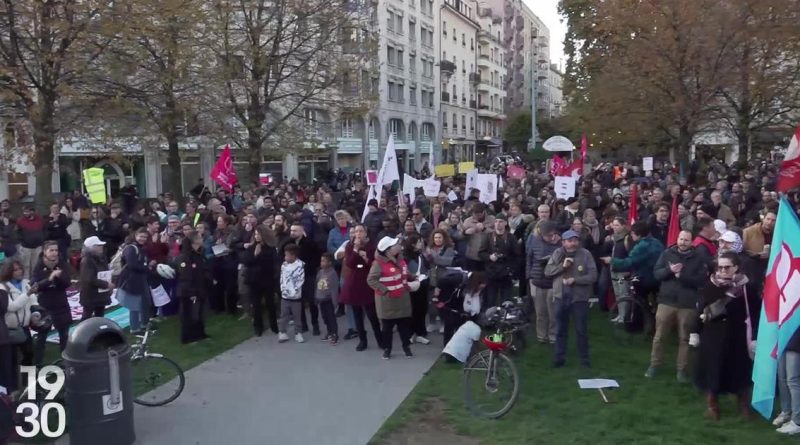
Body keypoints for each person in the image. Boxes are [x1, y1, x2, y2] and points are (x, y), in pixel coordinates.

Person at [693, 252, 757, 420]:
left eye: (727, 267)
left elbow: (755, 312)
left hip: (738, 336)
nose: (723, 271)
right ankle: (712, 406)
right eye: (720, 267)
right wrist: (695, 331)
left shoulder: (746, 287)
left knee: (740, 371)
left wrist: (755, 337)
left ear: (736, 267)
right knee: (713, 370)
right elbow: (701, 310)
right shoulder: (710, 285)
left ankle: (743, 406)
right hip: (713, 336)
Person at [646, 230, 707, 382]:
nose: (683, 242)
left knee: (684, 338)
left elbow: (701, 281)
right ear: (677, 239)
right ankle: (654, 365)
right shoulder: (667, 254)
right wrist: (669, 271)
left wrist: (682, 276)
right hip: (666, 302)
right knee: (659, 336)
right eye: (681, 239)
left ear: (691, 241)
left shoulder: (698, 258)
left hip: (687, 304)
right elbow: (657, 274)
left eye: (686, 240)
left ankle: (682, 370)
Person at [545, 230, 598, 368]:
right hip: (560, 297)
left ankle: (584, 361)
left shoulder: (585, 254)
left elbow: (593, 276)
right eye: (570, 241)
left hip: (579, 298)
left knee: (581, 330)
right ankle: (559, 359)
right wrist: (562, 267)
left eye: (575, 240)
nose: (573, 243)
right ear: (563, 242)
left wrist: (576, 280)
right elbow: (548, 272)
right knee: (560, 330)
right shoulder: (557, 253)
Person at [367, 236, 415, 359]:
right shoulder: (378, 264)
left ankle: (406, 347)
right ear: (388, 250)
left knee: (404, 327)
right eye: (395, 245)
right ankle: (387, 349)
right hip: (387, 302)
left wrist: (414, 277)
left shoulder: (400, 259)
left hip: (402, 300)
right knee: (387, 328)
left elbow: (405, 273)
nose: (398, 246)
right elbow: (371, 280)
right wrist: (385, 290)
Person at [342, 224, 383, 351]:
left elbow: (375, 265)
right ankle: (362, 340)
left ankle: (380, 340)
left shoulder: (372, 247)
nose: (358, 233)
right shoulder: (350, 246)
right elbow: (350, 263)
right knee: (357, 315)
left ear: (366, 233)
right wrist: (355, 249)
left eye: (361, 231)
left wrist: (366, 259)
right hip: (354, 283)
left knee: (372, 315)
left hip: (367, 283)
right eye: (356, 231)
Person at [31, 241, 71, 363]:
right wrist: (50, 279)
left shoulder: (62, 264)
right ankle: (38, 363)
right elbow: (35, 286)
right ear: (45, 251)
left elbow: (67, 283)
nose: (54, 253)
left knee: (64, 334)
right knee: (42, 336)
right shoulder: (38, 266)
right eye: (51, 250)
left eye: (56, 250)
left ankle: (66, 361)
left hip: (61, 304)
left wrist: (58, 278)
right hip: (45, 306)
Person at [527, 221, 561, 344]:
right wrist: (529, 276)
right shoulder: (534, 241)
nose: (551, 237)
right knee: (540, 312)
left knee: (553, 312)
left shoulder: (559, 243)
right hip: (536, 280)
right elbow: (529, 258)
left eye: (552, 234)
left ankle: (553, 335)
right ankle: (541, 336)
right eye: (548, 235)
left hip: (553, 282)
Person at [242, 226, 279, 336]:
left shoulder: (270, 248)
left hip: (267, 279)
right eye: (256, 234)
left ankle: (274, 326)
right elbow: (246, 262)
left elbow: (274, 263)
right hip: (254, 280)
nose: (257, 236)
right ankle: (258, 327)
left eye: (259, 234)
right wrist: (255, 255)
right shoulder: (251, 248)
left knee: (270, 304)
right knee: (256, 305)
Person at [174, 233, 210, 344]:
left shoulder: (199, 254)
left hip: (199, 288)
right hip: (188, 291)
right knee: (189, 314)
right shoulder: (185, 257)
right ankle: (188, 338)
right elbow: (186, 276)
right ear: (194, 241)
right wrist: (191, 292)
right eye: (199, 237)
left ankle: (200, 334)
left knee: (199, 314)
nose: (201, 239)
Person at [116, 229, 152, 334]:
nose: (143, 239)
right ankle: (135, 328)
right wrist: (147, 268)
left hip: (141, 279)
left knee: (145, 302)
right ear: (135, 235)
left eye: (145, 237)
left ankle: (144, 324)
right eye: (141, 236)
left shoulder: (141, 248)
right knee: (134, 305)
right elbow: (133, 265)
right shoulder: (131, 248)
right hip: (131, 281)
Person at [479, 214, 519, 307]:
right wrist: (489, 257)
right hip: (491, 273)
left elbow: (517, 256)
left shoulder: (511, 237)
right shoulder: (488, 236)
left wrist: (512, 270)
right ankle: (490, 319)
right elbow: (481, 253)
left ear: (505, 223)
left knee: (506, 302)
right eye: (496, 221)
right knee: (490, 300)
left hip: (506, 273)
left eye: (500, 221)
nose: (498, 224)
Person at [0, 261, 35, 367]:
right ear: (8, 271)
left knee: (29, 354)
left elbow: (33, 301)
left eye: (20, 269)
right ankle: (13, 381)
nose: (19, 271)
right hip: (10, 329)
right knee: (11, 359)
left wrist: (35, 314)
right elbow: (11, 306)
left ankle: (28, 381)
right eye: (15, 270)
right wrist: (27, 294)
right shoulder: (2, 287)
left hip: (25, 327)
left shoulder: (26, 283)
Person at [79, 236, 113, 320]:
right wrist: (106, 284)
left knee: (100, 315)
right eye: (98, 245)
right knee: (87, 316)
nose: (101, 247)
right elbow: (89, 279)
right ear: (92, 247)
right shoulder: (87, 260)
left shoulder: (101, 258)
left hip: (100, 294)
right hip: (90, 294)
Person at [278, 244, 305, 343]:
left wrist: (293, 291)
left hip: (296, 297)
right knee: (284, 315)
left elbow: (300, 280)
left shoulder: (300, 265)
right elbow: (282, 278)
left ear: (293, 256)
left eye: (287, 255)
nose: (285, 257)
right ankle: (282, 332)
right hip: (285, 296)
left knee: (297, 316)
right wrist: (283, 289)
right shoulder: (284, 265)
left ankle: (298, 333)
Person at [315, 253, 340, 344]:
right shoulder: (320, 272)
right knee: (325, 317)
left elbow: (334, 289)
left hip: (329, 300)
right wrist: (316, 297)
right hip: (321, 299)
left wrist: (335, 303)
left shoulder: (332, 274)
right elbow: (317, 285)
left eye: (324, 261)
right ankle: (329, 332)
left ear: (329, 263)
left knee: (331, 318)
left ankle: (334, 334)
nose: (321, 263)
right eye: (321, 261)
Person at [16, 205, 44, 279]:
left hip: (37, 246)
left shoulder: (39, 220)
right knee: (26, 265)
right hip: (26, 247)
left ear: (33, 211)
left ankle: (34, 280)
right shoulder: (20, 221)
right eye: (25, 211)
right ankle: (26, 280)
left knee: (35, 265)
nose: (26, 213)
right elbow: (17, 232)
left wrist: (42, 239)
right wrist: (22, 241)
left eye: (28, 211)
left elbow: (44, 230)